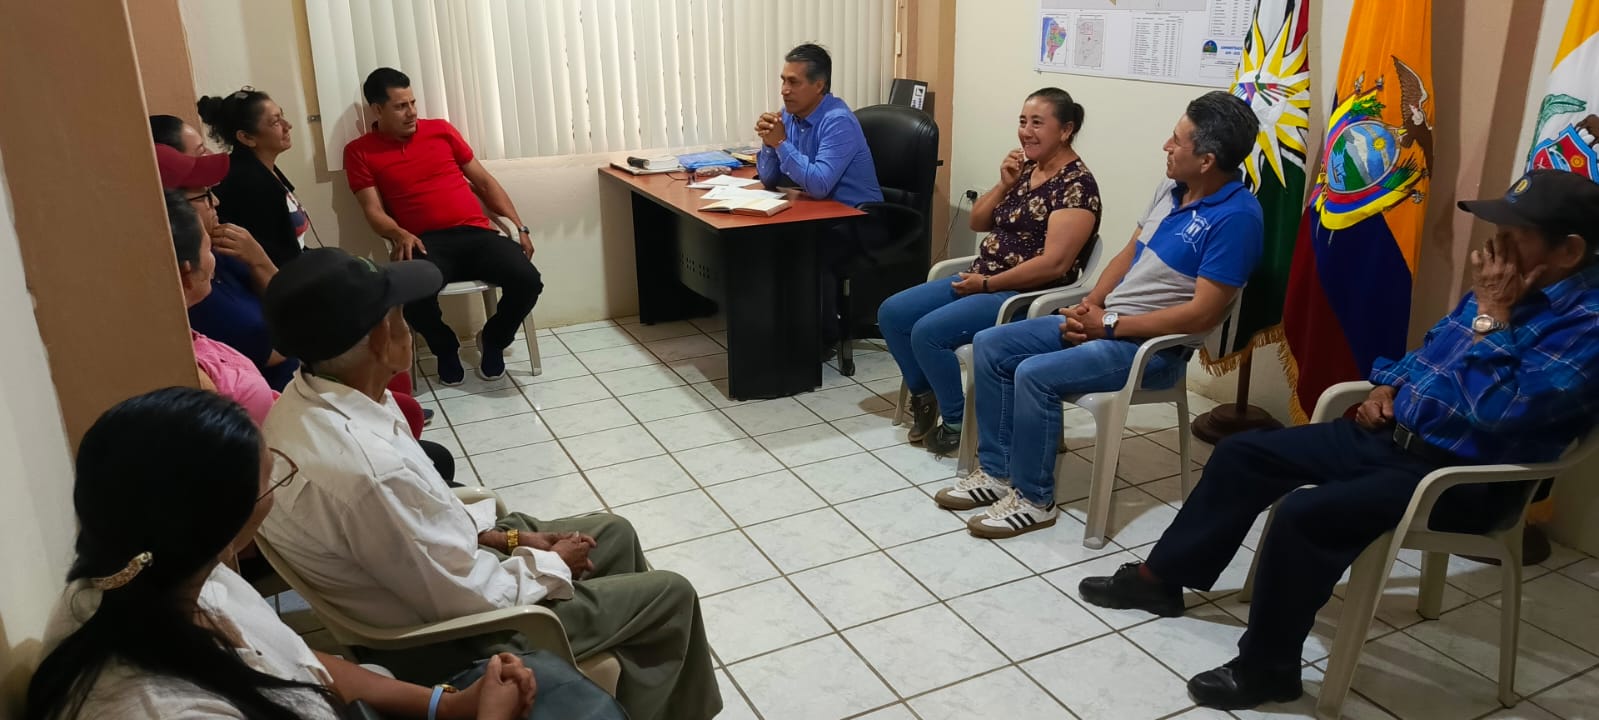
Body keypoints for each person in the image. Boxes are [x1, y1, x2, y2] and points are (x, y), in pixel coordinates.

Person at [1077, 169, 1599, 710]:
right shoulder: (1507, 288)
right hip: (1393, 438)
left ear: (1569, 251)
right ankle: (1160, 580)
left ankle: (1269, 669)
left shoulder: (1582, 323)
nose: (1495, 245)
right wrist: (1386, 386)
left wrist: (1493, 318)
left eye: (1514, 232)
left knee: (1307, 515)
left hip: (1461, 478)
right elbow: (1431, 354)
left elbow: (1500, 412)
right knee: (1242, 454)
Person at [257, 248, 721, 720]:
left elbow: (420, 530)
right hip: (463, 637)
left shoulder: (314, 396)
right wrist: (551, 563)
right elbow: (466, 595)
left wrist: (508, 538)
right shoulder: (368, 470)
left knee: (614, 532)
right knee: (672, 595)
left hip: (435, 582)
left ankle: (633, 688)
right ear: (382, 338)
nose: (409, 324)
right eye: (399, 313)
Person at [22, 387, 626, 720]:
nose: (282, 482)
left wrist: (449, 706)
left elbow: (299, 663)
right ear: (221, 523)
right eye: (271, 481)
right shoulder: (156, 707)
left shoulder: (154, 579)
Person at [931, 91, 1263, 539]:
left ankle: (1034, 499)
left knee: (1033, 373)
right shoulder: (1171, 189)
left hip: (1149, 350)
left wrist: (1109, 326)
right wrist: (1096, 303)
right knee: (991, 345)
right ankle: (997, 471)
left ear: (1206, 160)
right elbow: (1127, 255)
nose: (1165, 146)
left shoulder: (1238, 218)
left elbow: (1201, 315)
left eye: (1177, 140)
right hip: (1109, 323)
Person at [157, 179, 455, 479]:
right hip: (298, 449)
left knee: (433, 455)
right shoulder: (192, 363)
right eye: (207, 248)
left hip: (302, 418)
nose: (216, 202)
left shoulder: (197, 329)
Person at [879, 88, 1100, 449]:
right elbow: (978, 222)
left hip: (1021, 295)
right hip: (982, 278)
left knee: (927, 333)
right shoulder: (1027, 169)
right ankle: (925, 396)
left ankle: (956, 420)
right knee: (892, 313)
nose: (1026, 132)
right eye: (1023, 122)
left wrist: (987, 284)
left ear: (1065, 130)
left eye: (1037, 123)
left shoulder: (1076, 186)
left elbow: (1054, 264)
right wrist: (1003, 184)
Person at [344, 67, 543, 386]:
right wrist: (399, 233)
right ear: (377, 110)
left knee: (528, 280)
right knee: (409, 291)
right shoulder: (359, 151)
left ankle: (493, 340)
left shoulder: (440, 131)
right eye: (400, 106)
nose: (412, 112)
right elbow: (373, 211)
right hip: (425, 242)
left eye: (412, 103)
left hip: (477, 235)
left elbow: (484, 183)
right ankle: (445, 347)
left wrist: (519, 226)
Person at [753, 43, 884, 356]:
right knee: (767, 241)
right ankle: (780, 329)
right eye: (783, 80)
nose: (784, 90)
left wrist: (781, 143)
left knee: (805, 250)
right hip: (820, 214)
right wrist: (768, 144)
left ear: (819, 85)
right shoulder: (789, 116)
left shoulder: (838, 121)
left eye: (793, 82)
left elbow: (820, 184)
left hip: (860, 218)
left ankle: (822, 339)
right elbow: (769, 178)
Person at [198, 87, 310, 268]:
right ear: (246, 137)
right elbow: (278, 259)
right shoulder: (248, 183)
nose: (287, 125)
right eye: (275, 122)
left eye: (282, 115)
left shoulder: (263, 169)